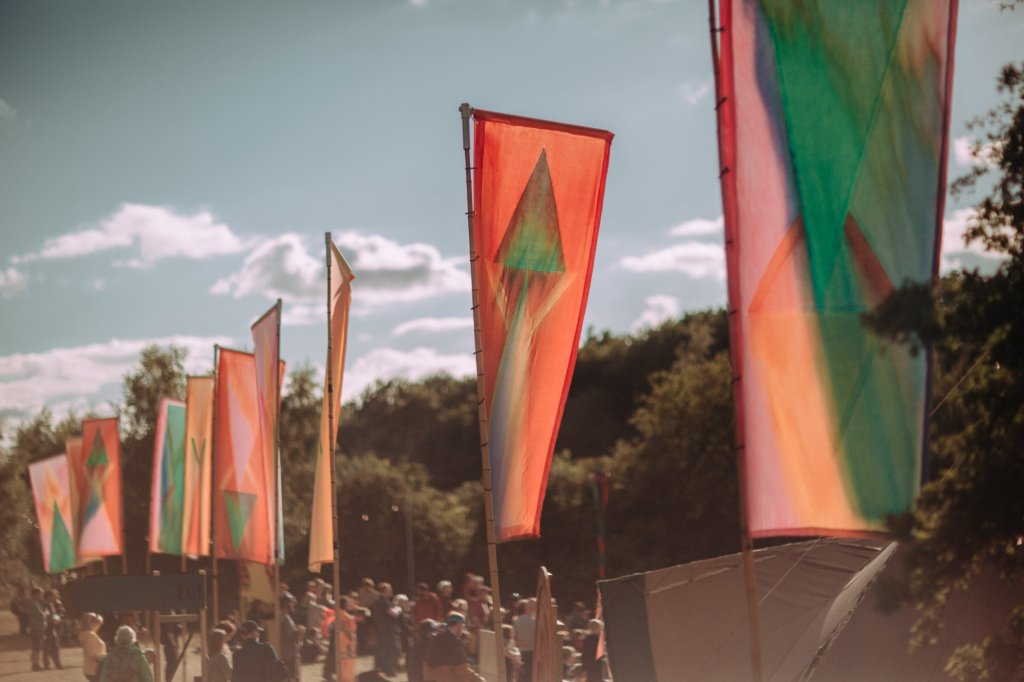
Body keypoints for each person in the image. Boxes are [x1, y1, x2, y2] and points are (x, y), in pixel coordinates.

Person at [423, 612, 484, 682]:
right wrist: (479, 680)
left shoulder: (434, 639)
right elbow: (463, 670)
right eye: (463, 625)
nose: (463, 628)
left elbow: (426, 665)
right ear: (458, 625)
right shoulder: (454, 643)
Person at [370, 583, 401, 677]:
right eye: (389, 590)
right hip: (386, 631)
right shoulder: (382, 602)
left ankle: (385, 670)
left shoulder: (384, 601)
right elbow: (393, 613)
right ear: (383, 592)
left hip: (385, 631)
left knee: (387, 651)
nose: (391, 592)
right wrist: (399, 608)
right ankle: (388, 671)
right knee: (390, 651)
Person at [513, 599, 537, 682]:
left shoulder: (517, 621)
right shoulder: (536, 622)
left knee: (522, 676)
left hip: (520, 651)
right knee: (530, 676)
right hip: (532, 652)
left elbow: (514, 638)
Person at [79, 612, 107, 682]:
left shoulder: (87, 634)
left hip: (92, 668)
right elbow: (93, 655)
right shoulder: (90, 636)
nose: (99, 626)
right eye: (98, 623)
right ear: (91, 623)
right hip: (95, 669)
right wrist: (108, 655)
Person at [280, 594, 302, 680]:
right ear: (287, 604)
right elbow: (287, 636)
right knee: (292, 677)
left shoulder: (286, 617)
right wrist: (298, 632)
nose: (293, 605)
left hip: (290, 652)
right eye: (292, 603)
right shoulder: (284, 617)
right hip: (288, 654)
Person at [43, 589, 65, 669]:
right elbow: (46, 616)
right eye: (53, 595)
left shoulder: (52, 604)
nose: (55, 597)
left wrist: (58, 616)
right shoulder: (45, 604)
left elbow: (56, 614)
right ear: (49, 596)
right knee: (48, 646)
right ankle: (47, 664)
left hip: (54, 627)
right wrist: (53, 619)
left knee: (55, 645)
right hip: (48, 627)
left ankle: (57, 663)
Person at [26, 587, 47, 671]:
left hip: (38, 628)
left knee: (37, 647)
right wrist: (45, 613)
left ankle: (35, 663)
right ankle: (35, 664)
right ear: (36, 594)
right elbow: (41, 615)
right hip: (36, 628)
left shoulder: (36, 603)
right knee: (36, 647)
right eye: (41, 594)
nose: (42, 595)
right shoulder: (33, 604)